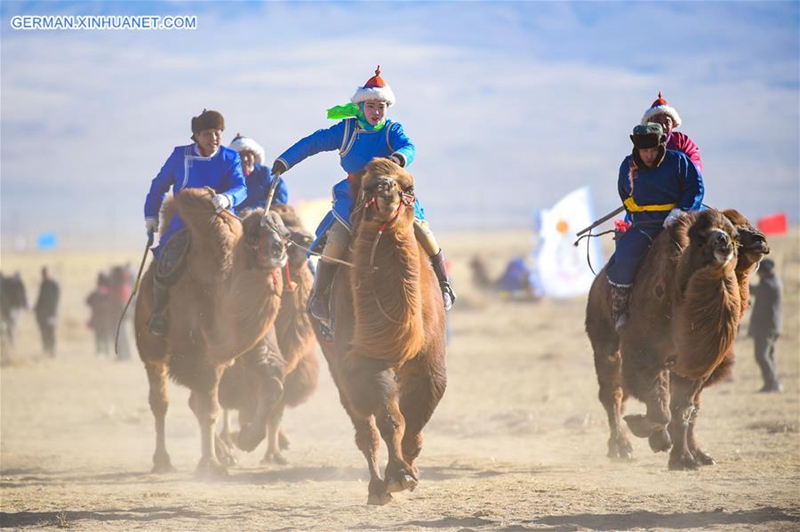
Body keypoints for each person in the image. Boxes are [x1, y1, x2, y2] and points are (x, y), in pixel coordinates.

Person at [269, 66, 456, 328]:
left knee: (421, 230)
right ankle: (320, 297)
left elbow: (409, 146)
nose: (376, 111)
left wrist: (399, 158)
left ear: (387, 108)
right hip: (354, 192)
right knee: (338, 237)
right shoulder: (346, 130)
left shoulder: (392, 130)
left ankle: (444, 285)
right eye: (371, 106)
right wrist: (284, 161)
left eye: (381, 107)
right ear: (361, 106)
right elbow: (313, 142)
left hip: (391, 189)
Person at [143, 109, 248, 336]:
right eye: (208, 134)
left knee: (244, 262)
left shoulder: (230, 157)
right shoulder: (180, 156)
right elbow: (159, 185)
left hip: (221, 219)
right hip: (185, 221)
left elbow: (241, 187)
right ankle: (160, 313)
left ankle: (245, 314)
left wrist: (227, 198)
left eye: (218, 133)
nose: (214, 138)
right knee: (166, 262)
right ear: (197, 136)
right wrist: (151, 215)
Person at [607, 123, 704, 329]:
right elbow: (625, 193)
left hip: (676, 222)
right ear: (637, 149)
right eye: (644, 151)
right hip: (644, 224)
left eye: (652, 150)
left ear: (661, 146)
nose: (649, 155)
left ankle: (709, 302)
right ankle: (620, 307)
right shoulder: (628, 165)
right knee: (625, 257)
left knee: (704, 251)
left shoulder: (679, 161)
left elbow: (695, 189)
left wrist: (680, 212)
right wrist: (636, 211)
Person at [641, 90, 703, 174]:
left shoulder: (682, 141)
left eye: (667, 122)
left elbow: (694, 166)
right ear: (649, 123)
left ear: (673, 125)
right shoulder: (641, 143)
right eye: (658, 121)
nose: (663, 126)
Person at [748, 258, 783, 393]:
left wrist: (742, 279)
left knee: (761, 356)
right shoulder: (773, 281)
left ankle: (772, 383)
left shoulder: (769, 285)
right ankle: (773, 383)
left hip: (766, 327)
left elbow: (753, 290)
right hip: (771, 327)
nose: (758, 275)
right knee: (769, 356)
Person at [229, 133, 288, 211]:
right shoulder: (228, 177)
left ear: (254, 156)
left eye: (248, 154)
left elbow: (279, 198)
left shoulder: (265, 174)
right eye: (240, 155)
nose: (245, 159)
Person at [34, 266, 60, 357]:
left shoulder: (53, 285)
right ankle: (46, 351)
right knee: (44, 334)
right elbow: (40, 299)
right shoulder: (43, 285)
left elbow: (55, 301)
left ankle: (52, 352)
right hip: (42, 315)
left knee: (50, 334)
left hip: (50, 314)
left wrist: (52, 314)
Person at [86, 272, 114, 357]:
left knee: (103, 336)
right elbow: (88, 301)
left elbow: (88, 301)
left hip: (103, 319)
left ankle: (104, 351)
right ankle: (102, 351)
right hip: (101, 319)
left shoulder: (102, 294)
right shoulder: (101, 294)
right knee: (101, 336)